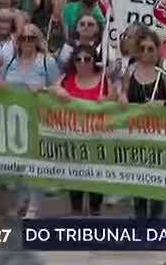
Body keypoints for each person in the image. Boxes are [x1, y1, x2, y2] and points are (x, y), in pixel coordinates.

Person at [119, 29, 166, 219]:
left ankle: (154, 221)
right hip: (136, 135)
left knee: (157, 181)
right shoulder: (130, 71)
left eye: (150, 49)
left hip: (159, 137)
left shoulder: (164, 75)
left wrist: (161, 104)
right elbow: (123, 96)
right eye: (142, 48)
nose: (146, 53)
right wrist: (122, 100)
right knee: (138, 180)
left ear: (158, 51)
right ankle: (140, 220)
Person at [51, 44, 116, 216]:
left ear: (94, 61)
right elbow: (50, 91)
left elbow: (116, 103)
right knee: (75, 176)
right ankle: (76, 209)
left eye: (87, 59)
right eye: (78, 59)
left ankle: (95, 210)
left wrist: (107, 100)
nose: (83, 62)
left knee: (96, 178)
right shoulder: (66, 79)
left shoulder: (104, 81)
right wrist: (57, 90)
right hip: (73, 139)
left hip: (98, 138)